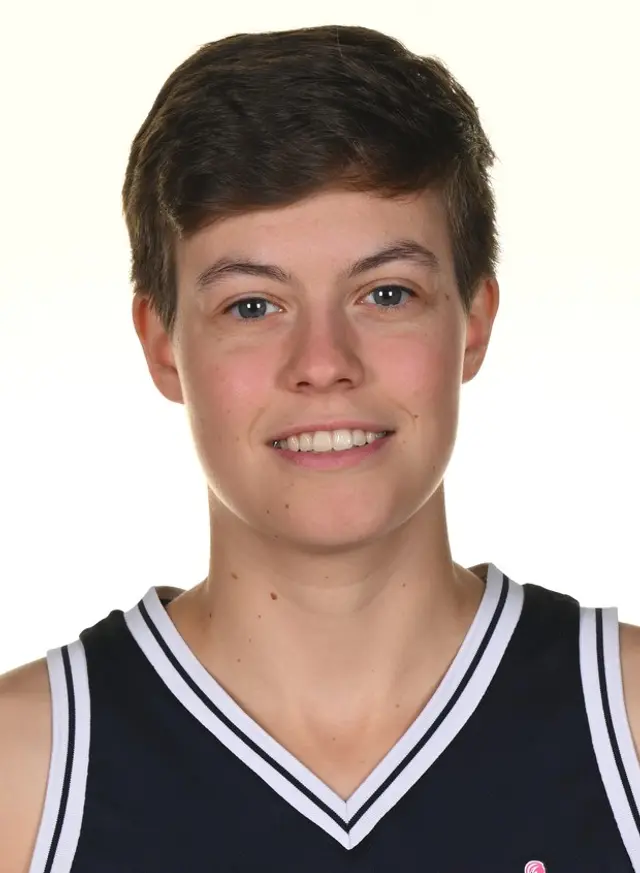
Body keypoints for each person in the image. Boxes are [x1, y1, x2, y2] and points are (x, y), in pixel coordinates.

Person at [1, 23, 639, 873]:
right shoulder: (26, 775)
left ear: (474, 320)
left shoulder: (624, 726)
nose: (325, 363)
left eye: (387, 293)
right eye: (252, 306)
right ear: (163, 345)